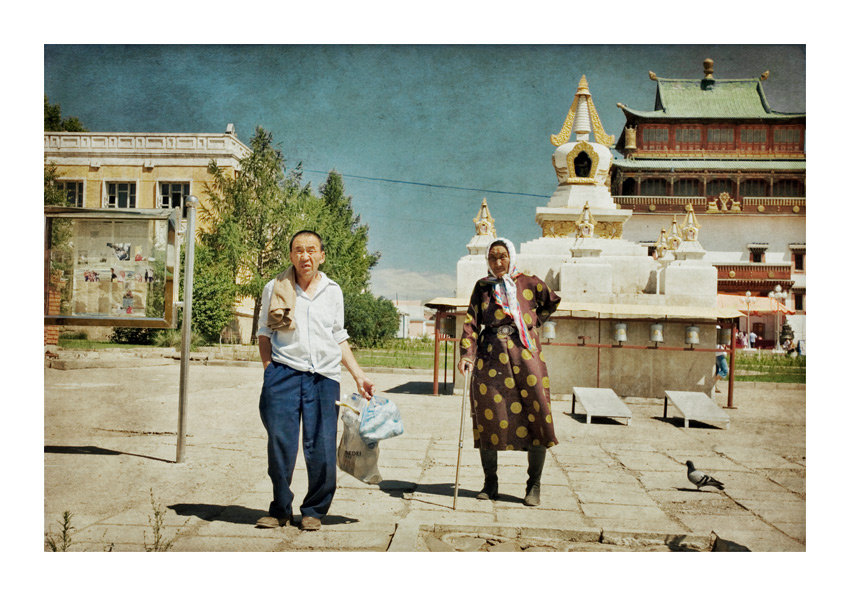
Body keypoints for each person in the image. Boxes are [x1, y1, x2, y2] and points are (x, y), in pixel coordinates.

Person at [255, 230, 374, 532]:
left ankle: (314, 510)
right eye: (298, 250)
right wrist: (269, 370)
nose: (304, 256)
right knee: (280, 443)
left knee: (321, 445)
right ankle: (280, 509)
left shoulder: (333, 291)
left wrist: (358, 375)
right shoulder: (274, 287)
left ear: (321, 255)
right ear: (290, 255)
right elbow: (264, 333)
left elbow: (338, 336)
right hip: (283, 374)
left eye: (311, 250)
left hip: (324, 377)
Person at [457, 238, 561, 507]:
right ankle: (490, 483)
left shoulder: (529, 282)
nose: (497, 262)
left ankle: (534, 485)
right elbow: (471, 322)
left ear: (511, 257)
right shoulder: (483, 287)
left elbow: (551, 301)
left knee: (537, 412)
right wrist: (467, 354)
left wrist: (533, 322)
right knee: (489, 414)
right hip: (491, 358)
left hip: (527, 356)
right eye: (492, 258)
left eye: (502, 256)